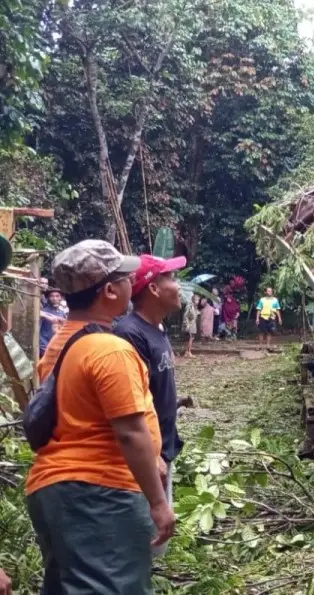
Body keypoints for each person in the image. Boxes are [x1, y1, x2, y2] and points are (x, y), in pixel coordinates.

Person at [25, 240, 174, 595]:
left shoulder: (61, 344)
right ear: (108, 290)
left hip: (54, 491)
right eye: (125, 279)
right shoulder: (109, 349)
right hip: (100, 494)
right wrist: (158, 501)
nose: (131, 284)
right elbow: (130, 432)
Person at [114, 254, 187, 558]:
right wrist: (151, 454)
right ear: (154, 289)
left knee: (154, 543)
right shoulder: (129, 334)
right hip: (146, 453)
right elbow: (129, 402)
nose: (178, 285)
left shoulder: (155, 329)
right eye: (171, 278)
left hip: (162, 445)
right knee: (140, 542)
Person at [39, 286, 68, 357]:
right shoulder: (43, 311)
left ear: (61, 298)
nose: (55, 298)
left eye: (57, 296)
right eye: (52, 296)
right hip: (45, 346)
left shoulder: (62, 313)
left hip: (57, 346)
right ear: (48, 298)